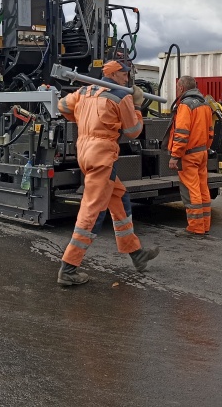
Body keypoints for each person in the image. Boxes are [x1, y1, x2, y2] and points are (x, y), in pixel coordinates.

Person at [56, 60, 160, 286]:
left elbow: (62, 107)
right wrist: (137, 106)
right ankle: (69, 268)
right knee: (92, 211)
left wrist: (82, 118)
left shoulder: (84, 91)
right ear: (114, 74)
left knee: (120, 199)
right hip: (102, 157)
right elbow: (133, 132)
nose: (127, 78)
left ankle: (136, 252)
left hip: (85, 152)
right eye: (124, 74)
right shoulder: (121, 96)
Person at [167, 76, 214, 237]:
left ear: (181, 88)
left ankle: (195, 227)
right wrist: (204, 148)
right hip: (202, 152)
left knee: (191, 190)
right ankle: (205, 225)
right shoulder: (205, 105)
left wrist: (175, 156)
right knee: (202, 188)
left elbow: (181, 133)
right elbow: (210, 132)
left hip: (189, 155)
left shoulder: (185, 105)